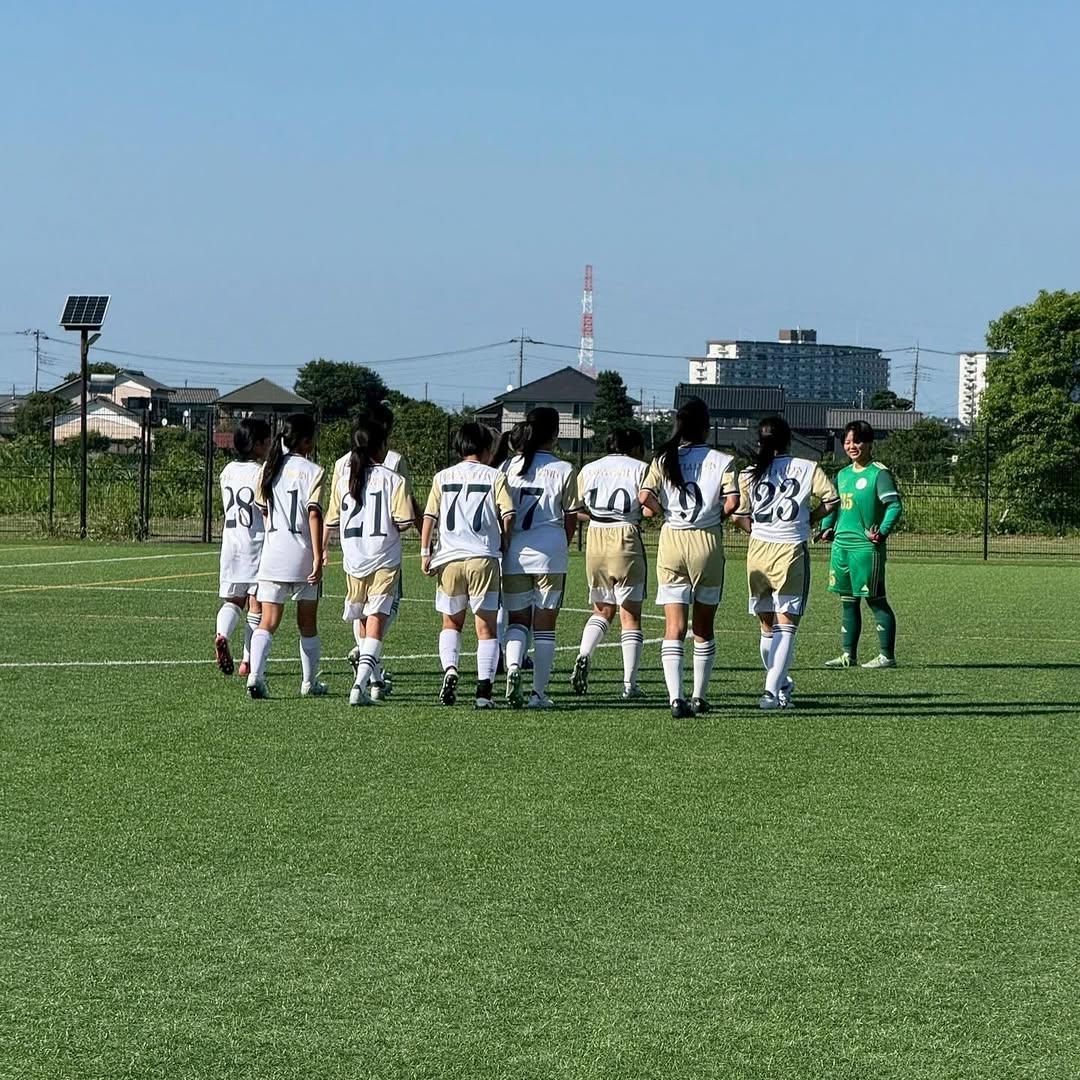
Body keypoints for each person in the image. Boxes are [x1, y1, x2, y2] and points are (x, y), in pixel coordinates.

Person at [639, 397, 739, 718]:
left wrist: (663, 513)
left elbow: (644, 497)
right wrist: (714, 518)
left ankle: (675, 698)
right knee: (704, 626)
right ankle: (699, 696)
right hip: (706, 541)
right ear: (706, 427)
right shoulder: (722, 460)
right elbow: (733, 502)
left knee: (674, 626)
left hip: (672, 540)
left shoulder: (663, 458)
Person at [731, 416, 839, 709]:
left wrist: (757, 530)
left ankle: (780, 685)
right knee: (787, 624)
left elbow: (739, 516)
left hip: (758, 550)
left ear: (759, 441)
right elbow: (831, 500)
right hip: (790, 549)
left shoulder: (749, 473)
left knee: (767, 626)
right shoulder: (807, 467)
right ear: (789, 439)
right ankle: (770, 691)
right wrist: (810, 519)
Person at [323, 416, 419, 705]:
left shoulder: (344, 479)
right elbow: (405, 521)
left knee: (364, 619)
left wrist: (322, 550)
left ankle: (371, 680)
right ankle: (360, 685)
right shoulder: (393, 479)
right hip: (383, 558)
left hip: (354, 559)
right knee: (377, 620)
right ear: (381, 447)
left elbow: (332, 520)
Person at [421, 422, 516, 708]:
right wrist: (505, 540)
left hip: (449, 559)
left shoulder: (442, 477)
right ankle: (484, 693)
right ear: (487, 448)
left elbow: (429, 517)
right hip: (482, 558)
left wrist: (425, 552)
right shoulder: (495, 476)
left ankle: (450, 670)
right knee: (486, 628)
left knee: (451, 623)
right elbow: (508, 513)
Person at [501, 407, 582, 709]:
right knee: (545, 626)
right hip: (550, 552)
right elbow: (571, 516)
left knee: (517, 620)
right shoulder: (564, 469)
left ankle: (512, 667)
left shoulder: (508, 466)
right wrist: (562, 544)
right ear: (555, 434)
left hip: (514, 552)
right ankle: (538, 693)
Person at [246, 413, 327, 700]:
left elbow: (264, 510)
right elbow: (314, 514)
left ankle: (255, 676)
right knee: (307, 623)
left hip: (273, 555)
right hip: (302, 556)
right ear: (305, 440)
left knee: (267, 620)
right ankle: (308, 682)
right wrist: (318, 555)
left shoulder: (268, 468)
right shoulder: (314, 471)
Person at [571, 427, 648, 701]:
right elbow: (650, 507)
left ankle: (584, 653)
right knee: (630, 615)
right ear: (634, 448)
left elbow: (573, 507)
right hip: (626, 535)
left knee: (602, 609)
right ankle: (629, 684)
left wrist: (595, 517)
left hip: (596, 536)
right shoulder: (641, 469)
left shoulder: (590, 469)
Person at [817, 420, 903, 668]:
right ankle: (848, 655)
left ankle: (887, 656)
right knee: (848, 601)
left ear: (869, 443)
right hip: (841, 547)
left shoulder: (879, 473)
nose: (852, 446)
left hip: (866, 549)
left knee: (875, 600)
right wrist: (826, 528)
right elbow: (834, 505)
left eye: (857, 441)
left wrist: (882, 532)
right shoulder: (843, 475)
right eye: (847, 442)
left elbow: (894, 506)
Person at [214, 418, 271, 677]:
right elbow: (265, 508)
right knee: (256, 603)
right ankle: (248, 661)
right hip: (256, 543)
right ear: (256, 444)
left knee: (234, 600)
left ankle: (222, 634)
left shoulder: (227, 471)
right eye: (266, 441)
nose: (269, 446)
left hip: (231, 542)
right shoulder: (261, 472)